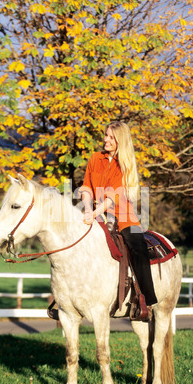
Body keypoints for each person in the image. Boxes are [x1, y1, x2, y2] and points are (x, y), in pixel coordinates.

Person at [79, 121, 157, 320]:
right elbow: (86, 187)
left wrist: (95, 211)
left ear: (120, 140)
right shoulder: (95, 158)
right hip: (95, 211)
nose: (106, 139)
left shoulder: (125, 165)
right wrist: (88, 210)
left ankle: (145, 301)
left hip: (123, 217)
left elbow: (112, 196)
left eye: (111, 137)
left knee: (138, 247)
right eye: (106, 135)